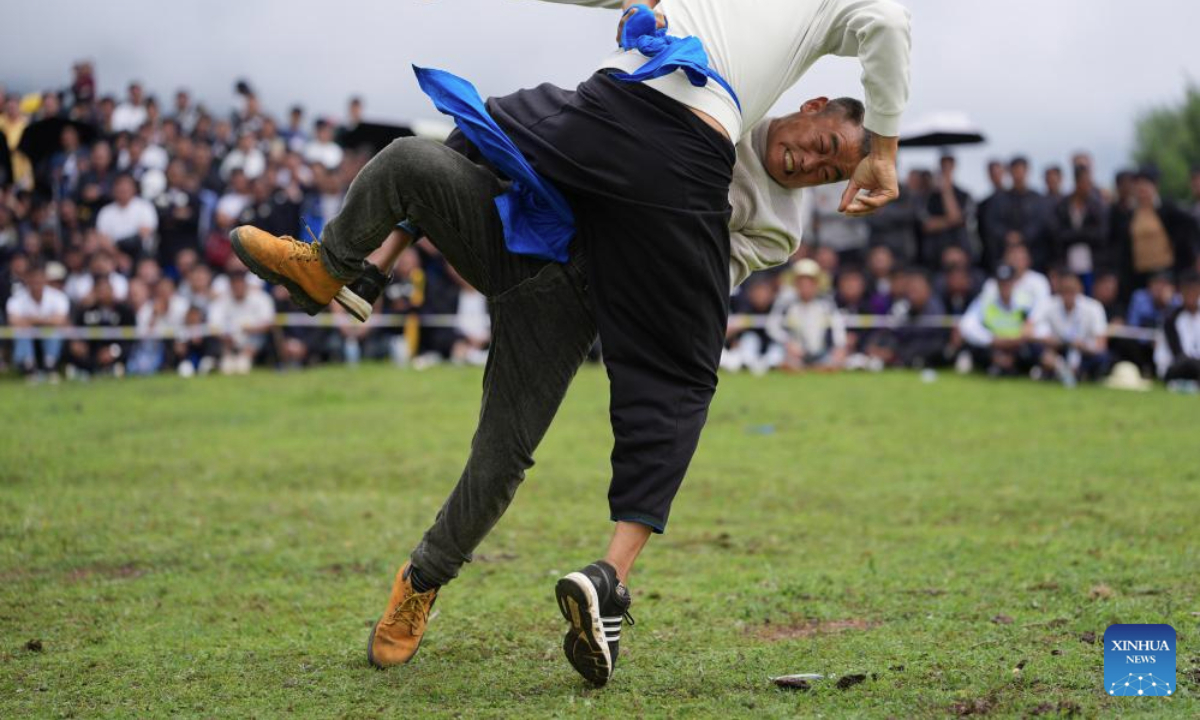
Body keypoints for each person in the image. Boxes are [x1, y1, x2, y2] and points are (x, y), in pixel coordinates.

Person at [229, 0, 911, 687]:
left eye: (829, 174)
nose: (810, 165)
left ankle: (422, 582)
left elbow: (687, 287)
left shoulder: (778, 226)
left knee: (501, 456)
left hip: (579, 296)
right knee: (418, 154)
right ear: (813, 105)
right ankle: (336, 265)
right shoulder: (709, 88)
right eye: (824, 147)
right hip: (521, 229)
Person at [1114, 168, 1199, 296]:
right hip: (1139, 273)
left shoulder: (1167, 208)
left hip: (1166, 270)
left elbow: (1189, 227)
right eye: (1138, 187)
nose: (1142, 190)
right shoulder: (1130, 213)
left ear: (1154, 187)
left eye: (1145, 186)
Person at [767, 259, 847, 369]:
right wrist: (787, 342)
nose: (805, 286)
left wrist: (839, 348)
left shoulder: (827, 305)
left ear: (816, 284)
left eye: (809, 282)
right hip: (793, 352)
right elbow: (772, 326)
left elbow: (838, 327)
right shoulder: (786, 304)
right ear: (795, 284)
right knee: (775, 355)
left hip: (821, 353)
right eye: (801, 282)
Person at [1031, 272, 1110, 383]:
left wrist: (1083, 345)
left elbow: (1101, 345)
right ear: (1059, 291)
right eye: (1065, 291)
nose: (1068, 295)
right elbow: (1027, 330)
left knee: (1102, 357)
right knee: (1035, 347)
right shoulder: (1049, 304)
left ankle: (1077, 373)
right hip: (1058, 349)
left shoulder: (1094, 307)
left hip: (1083, 351)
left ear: (1080, 289)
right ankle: (1059, 368)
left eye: (1071, 290)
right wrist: (1047, 339)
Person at [959, 264, 1037, 376]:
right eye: (1001, 283)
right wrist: (991, 339)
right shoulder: (985, 301)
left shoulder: (1025, 302)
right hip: (995, 346)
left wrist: (1022, 336)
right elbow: (966, 325)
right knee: (978, 349)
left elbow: (1035, 325)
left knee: (1032, 349)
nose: (1005, 286)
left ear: (1014, 282)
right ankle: (999, 365)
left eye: (1008, 282)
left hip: (1016, 346)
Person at [982, 157, 1051, 271]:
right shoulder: (999, 199)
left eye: (1021, 170)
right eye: (1015, 171)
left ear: (1027, 171)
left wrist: (1023, 236)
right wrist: (1007, 235)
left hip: (1034, 254)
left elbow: (1040, 223)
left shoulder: (1037, 199)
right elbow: (991, 222)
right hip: (1004, 252)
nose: (1018, 175)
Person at [5, 264, 69, 378]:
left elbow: (60, 320)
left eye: (39, 279)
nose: (36, 283)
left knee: (52, 331)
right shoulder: (17, 298)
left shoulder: (57, 296)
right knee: (22, 332)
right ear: (27, 279)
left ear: (45, 279)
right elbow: (13, 321)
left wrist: (32, 320)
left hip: (48, 334)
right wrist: (45, 320)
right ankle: (28, 367)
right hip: (27, 334)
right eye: (33, 279)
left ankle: (51, 365)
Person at [919, 155, 973, 271]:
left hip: (959, 253)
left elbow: (956, 216)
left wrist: (946, 191)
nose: (945, 171)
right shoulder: (928, 196)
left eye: (948, 167)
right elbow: (928, 225)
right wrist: (952, 220)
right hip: (933, 255)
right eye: (943, 167)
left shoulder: (963, 195)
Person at [1154, 270, 1200, 382]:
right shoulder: (1171, 319)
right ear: (1181, 292)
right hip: (1175, 366)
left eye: (1193, 290)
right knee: (1186, 363)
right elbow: (1176, 354)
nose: (1190, 295)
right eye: (1187, 291)